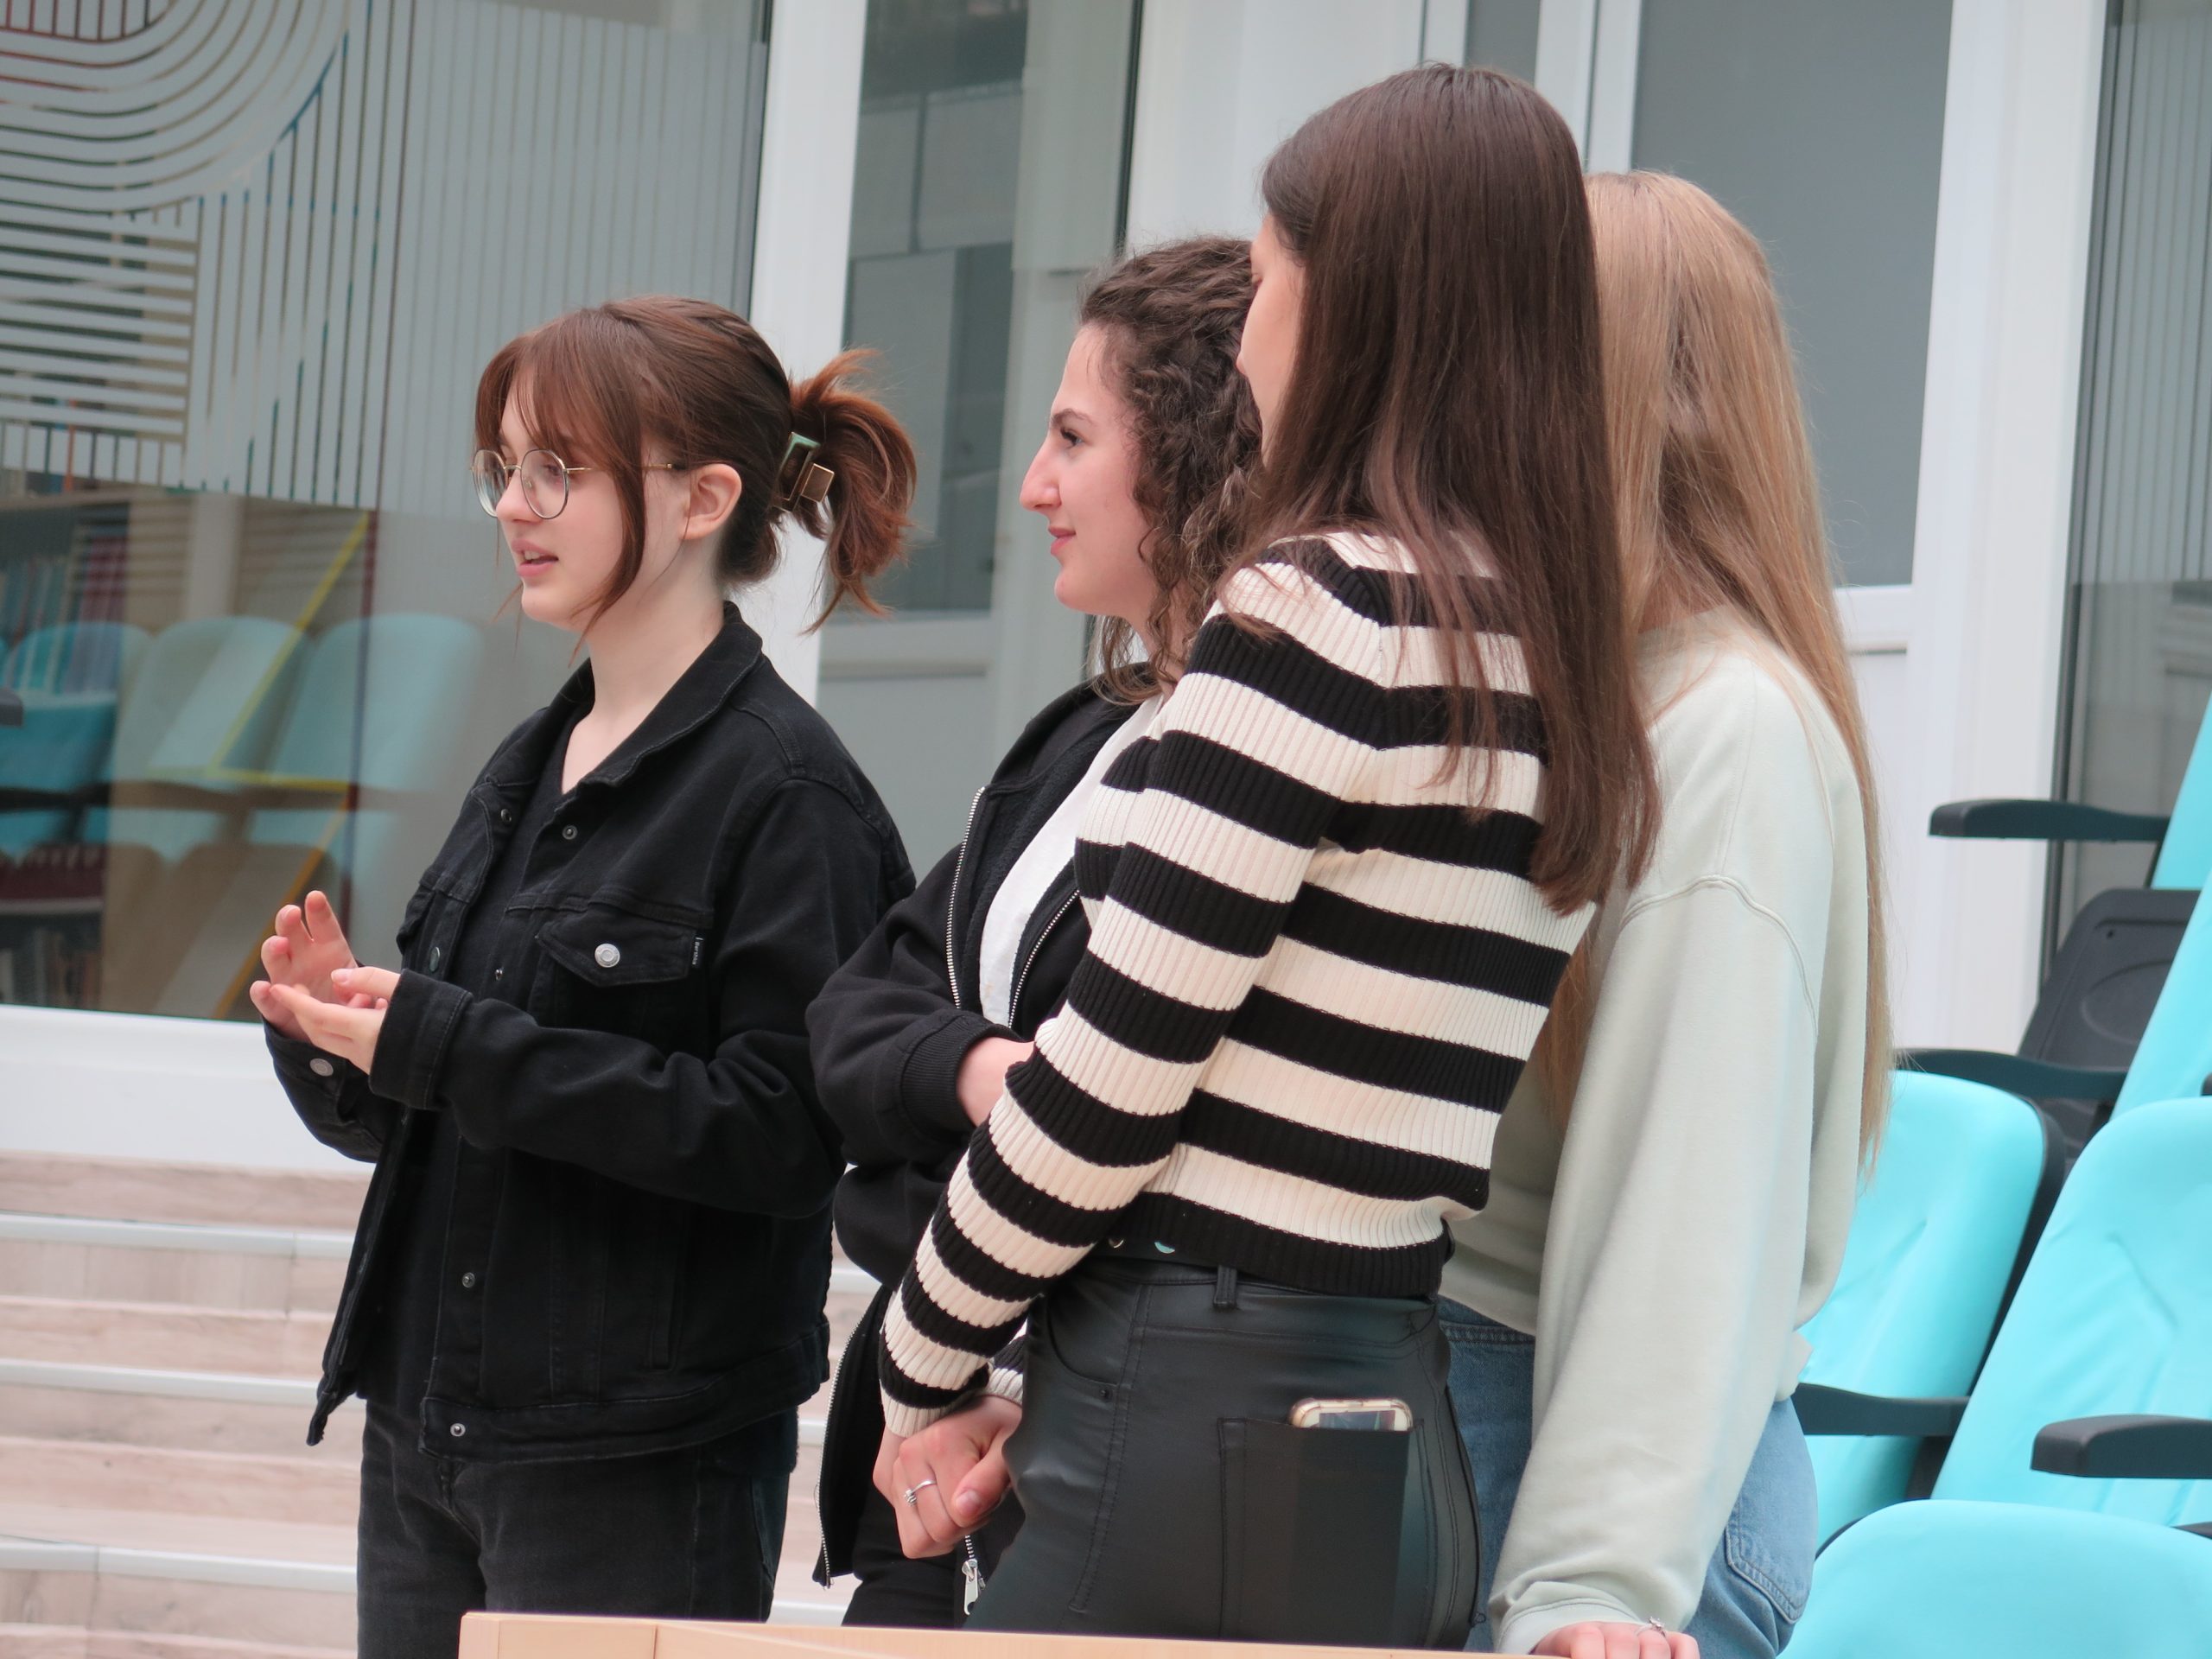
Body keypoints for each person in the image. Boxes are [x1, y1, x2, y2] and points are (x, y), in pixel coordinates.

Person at [870, 65, 1656, 1648]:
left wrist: (920, 1356)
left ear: (1353, 309)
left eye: (1271, 277)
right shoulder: (1549, 645)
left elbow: (1107, 1089)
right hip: (1385, 1405)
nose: (1247, 334)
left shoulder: (1317, 612)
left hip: (1194, 1397)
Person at [250, 297, 917, 1657]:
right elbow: (442, 1114)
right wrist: (341, 1036)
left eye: (559, 468)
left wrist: (446, 1043)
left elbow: (784, 1138)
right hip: (428, 1432)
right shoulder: (529, 760)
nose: (514, 505)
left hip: (633, 1466)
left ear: (702, 499)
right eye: (504, 465)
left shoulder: (789, 798)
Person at [1440, 171, 1889, 1659]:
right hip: (1508, 1442)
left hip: (1586, 1495)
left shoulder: (1727, 731)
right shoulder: (1599, 698)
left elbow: (1687, 1212)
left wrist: (1592, 1585)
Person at [804, 237, 1262, 1628]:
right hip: (934, 1433)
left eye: (1072, 438)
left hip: (1073, 1428)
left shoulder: (1254, 763)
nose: (1032, 487)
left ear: (1192, 459)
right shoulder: (1084, 737)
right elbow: (852, 1014)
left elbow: (1129, 1127)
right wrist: (977, 1072)